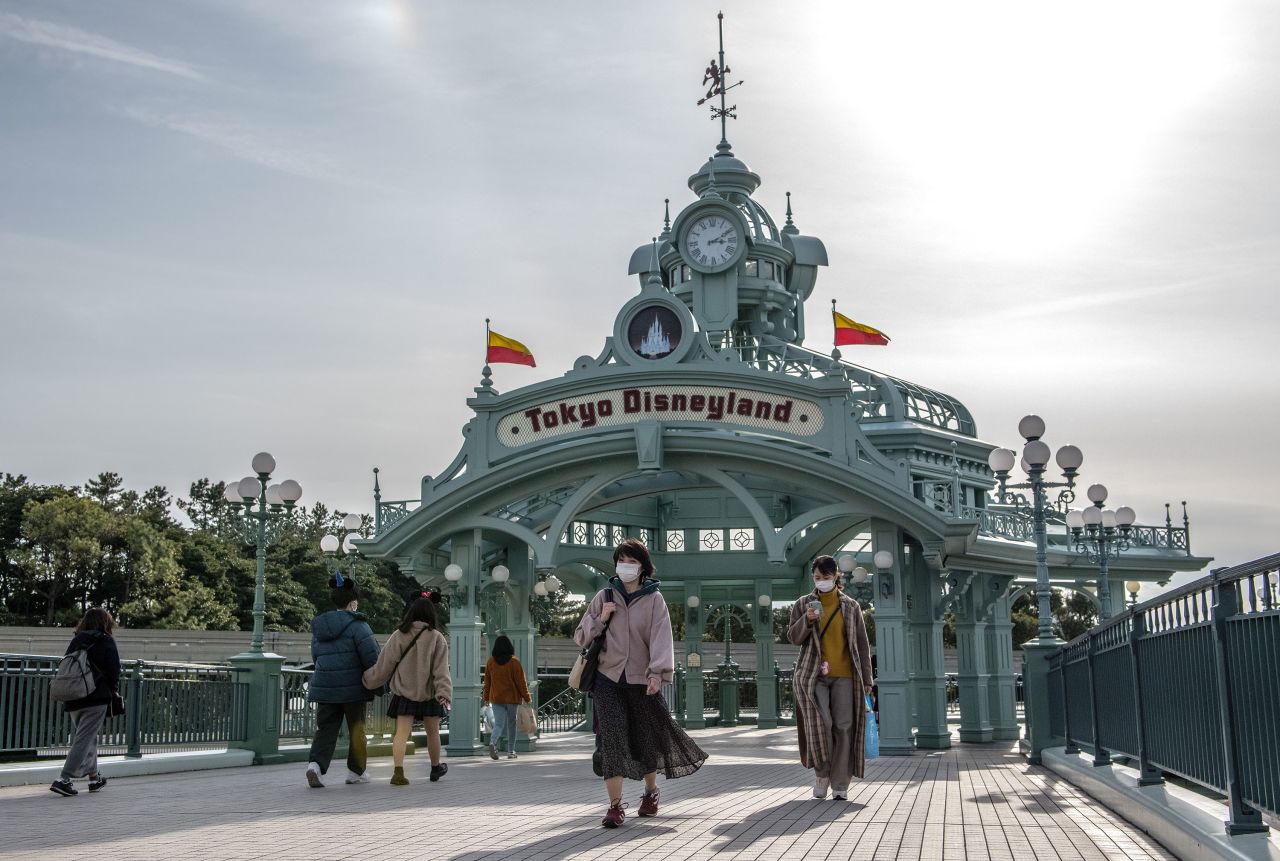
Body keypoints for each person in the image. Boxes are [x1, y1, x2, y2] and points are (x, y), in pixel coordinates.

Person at [574, 538, 708, 828]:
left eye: (632, 561)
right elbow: (581, 637)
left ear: (643, 567)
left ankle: (650, 793)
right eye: (621, 560)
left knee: (646, 740)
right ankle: (614, 807)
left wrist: (657, 674)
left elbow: (661, 639)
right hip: (606, 679)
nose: (626, 566)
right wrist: (601, 617)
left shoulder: (654, 599)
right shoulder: (605, 595)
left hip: (642, 680)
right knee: (612, 740)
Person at [787, 555, 874, 801]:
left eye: (826, 577)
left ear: (836, 576)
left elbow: (861, 645)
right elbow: (793, 637)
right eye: (817, 578)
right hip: (813, 675)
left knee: (843, 727)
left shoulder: (850, 606)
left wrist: (867, 679)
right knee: (821, 723)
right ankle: (821, 774)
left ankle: (840, 784)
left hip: (846, 675)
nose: (821, 582)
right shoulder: (804, 603)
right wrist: (807, 620)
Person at [363, 595, 452, 786]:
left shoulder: (399, 634)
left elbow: (384, 665)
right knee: (433, 733)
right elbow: (441, 670)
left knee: (401, 733)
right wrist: (443, 692)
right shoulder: (437, 638)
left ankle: (398, 771)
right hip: (429, 693)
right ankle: (435, 768)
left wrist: (368, 679)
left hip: (404, 692)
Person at [305, 573, 380, 788]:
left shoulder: (320, 627)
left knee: (325, 728)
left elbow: (316, 656)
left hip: (326, 686)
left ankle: (315, 767)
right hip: (353, 688)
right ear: (352, 602)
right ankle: (355, 772)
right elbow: (371, 658)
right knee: (357, 728)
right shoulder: (359, 625)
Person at [49, 608, 121, 797]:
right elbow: (114, 670)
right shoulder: (105, 640)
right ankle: (64, 779)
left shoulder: (77, 639)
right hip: (95, 697)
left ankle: (94, 779)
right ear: (106, 622)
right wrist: (111, 690)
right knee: (84, 738)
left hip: (74, 696)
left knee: (89, 737)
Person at [482, 634, 531, 760]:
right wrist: (527, 697)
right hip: (512, 698)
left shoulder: (490, 661)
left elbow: (487, 682)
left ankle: (493, 742)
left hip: (496, 698)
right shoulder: (514, 662)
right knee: (512, 724)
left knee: (498, 724)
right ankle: (511, 751)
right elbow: (521, 682)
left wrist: (486, 697)